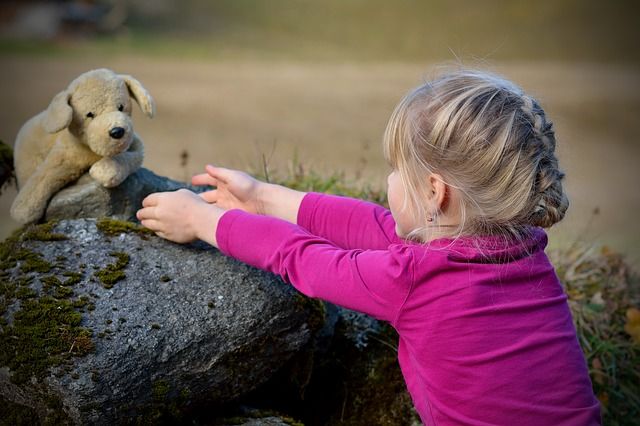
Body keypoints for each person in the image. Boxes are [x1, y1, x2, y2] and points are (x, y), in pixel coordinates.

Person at [136, 69, 601, 425]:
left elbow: (303, 259)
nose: (389, 180)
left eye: (397, 169)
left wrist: (203, 220)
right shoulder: (523, 251)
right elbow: (377, 226)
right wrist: (262, 197)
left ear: (434, 193)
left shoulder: (415, 279)